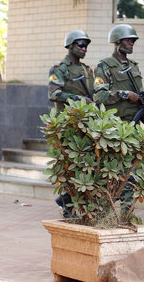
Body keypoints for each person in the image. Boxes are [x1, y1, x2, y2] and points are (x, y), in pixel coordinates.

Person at [93, 24, 144, 214]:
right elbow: (99, 96)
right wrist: (125, 94)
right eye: (127, 40)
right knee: (115, 172)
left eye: (133, 40)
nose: (131, 43)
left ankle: (125, 213)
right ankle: (105, 212)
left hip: (134, 127)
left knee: (134, 171)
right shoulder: (105, 66)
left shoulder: (134, 67)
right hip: (116, 129)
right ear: (117, 43)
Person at [49, 30, 94, 218]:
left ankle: (67, 200)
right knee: (71, 166)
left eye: (86, 45)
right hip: (68, 124)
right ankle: (68, 206)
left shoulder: (87, 70)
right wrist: (79, 99)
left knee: (84, 165)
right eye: (80, 45)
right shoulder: (60, 69)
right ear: (70, 46)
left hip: (85, 124)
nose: (84, 48)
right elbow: (54, 94)